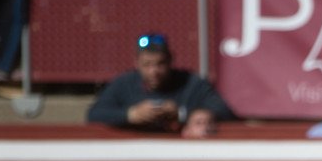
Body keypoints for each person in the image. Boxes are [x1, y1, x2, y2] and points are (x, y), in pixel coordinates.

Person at [87, 34, 234, 132]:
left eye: (160, 64)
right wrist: (131, 115)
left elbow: (225, 112)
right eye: (147, 65)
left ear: (171, 60)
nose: (154, 71)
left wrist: (181, 113)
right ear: (136, 63)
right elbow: (94, 114)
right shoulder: (124, 83)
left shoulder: (191, 83)